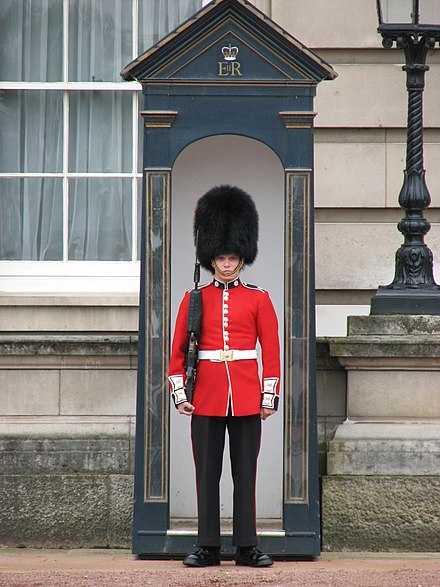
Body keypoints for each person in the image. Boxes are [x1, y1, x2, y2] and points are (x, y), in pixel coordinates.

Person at [168, 185, 280, 568]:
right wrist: (181, 393)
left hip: (247, 395)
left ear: (242, 257)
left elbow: (272, 352)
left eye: (233, 257)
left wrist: (268, 398)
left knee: (245, 474)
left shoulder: (259, 298)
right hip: (208, 396)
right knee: (207, 475)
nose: (228, 264)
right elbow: (177, 352)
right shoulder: (194, 298)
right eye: (221, 257)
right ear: (210, 258)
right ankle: (208, 545)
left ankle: (247, 546)